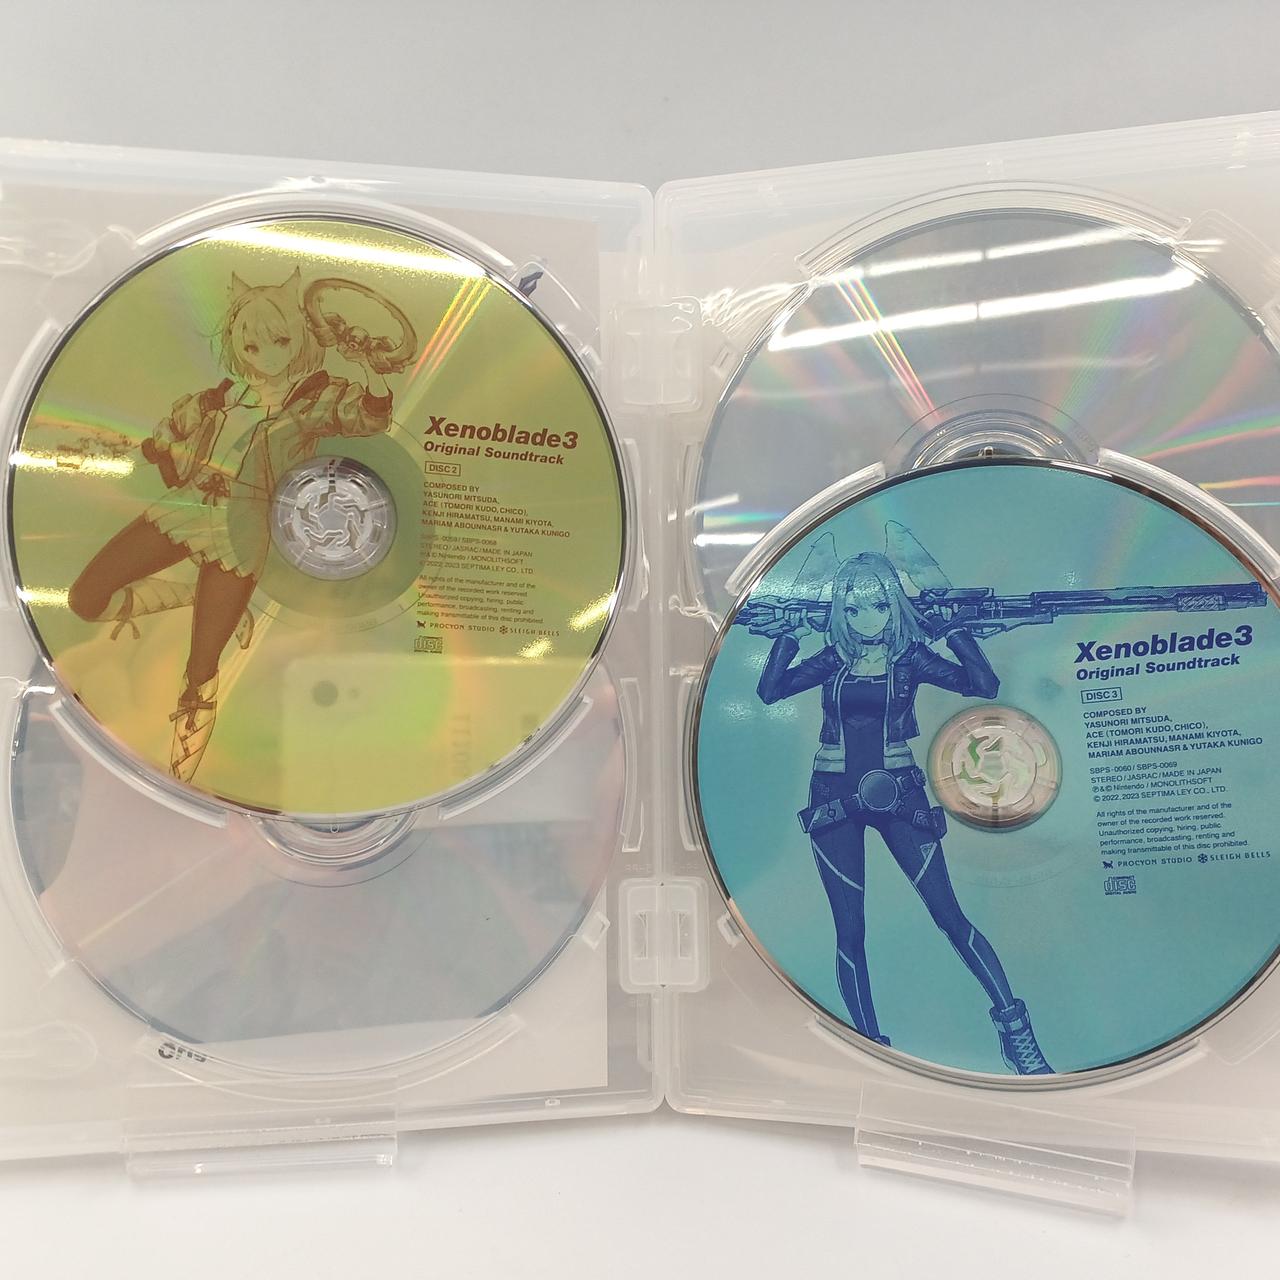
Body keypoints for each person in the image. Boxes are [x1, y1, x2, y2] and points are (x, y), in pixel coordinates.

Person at [66, 268, 396, 783]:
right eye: (252, 343)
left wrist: (372, 367)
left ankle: (180, 778)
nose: (266, 354)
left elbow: (370, 417)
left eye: (280, 341)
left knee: (199, 673)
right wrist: (172, 433)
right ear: (238, 344)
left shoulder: (316, 399)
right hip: (187, 508)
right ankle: (190, 597)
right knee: (85, 599)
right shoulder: (224, 395)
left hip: (240, 532)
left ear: (302, 338)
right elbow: (169, 432)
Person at [753, 547, 1053, 1074]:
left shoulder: (910, 658)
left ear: (894, 605)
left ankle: (1015, 1032)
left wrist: (953, 630)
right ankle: (870, 1048)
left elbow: (982, 686)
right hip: (833, 798)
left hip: (900, 793)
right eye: (852, 608)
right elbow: (770, 691)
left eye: (877, 606)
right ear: (840, 611)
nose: (866, 619)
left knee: (949, 916)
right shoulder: (833, 659)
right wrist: (789, 636)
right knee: (850, 930)